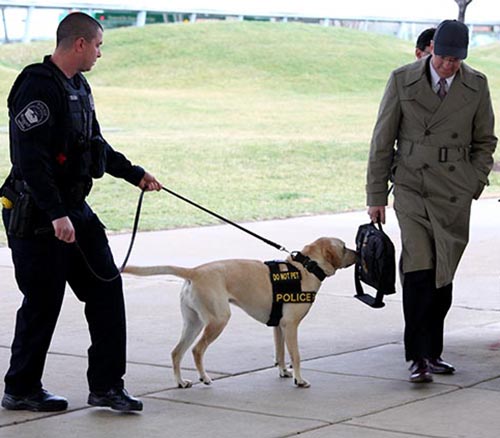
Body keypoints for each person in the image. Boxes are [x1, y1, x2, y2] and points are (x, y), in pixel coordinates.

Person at [0, 12, 162, 412]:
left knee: (107, 289)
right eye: (98, 46)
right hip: (36, 215)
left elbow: (95, 144)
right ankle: (20, 388)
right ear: (79, 44)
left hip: (74, 210)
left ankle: (107, 386)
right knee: (43, 301)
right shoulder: (36, 87)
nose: (99, 54)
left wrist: (134, 174)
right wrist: (56, 214)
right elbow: (29, 159)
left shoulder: (78, 85)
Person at [366, 20, 497, 383]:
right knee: (419, 267)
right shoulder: (401, 79)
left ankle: (434, 351)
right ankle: (417, 356)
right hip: (412, 187)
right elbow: (381, 141)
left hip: (454, 191)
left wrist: (474, 180)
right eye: (442, 58)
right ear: (431, 49)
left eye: (455, 60)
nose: (447, 66)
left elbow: (485, 140)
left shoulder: (477, 84)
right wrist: (376, 195)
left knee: (442, 274)